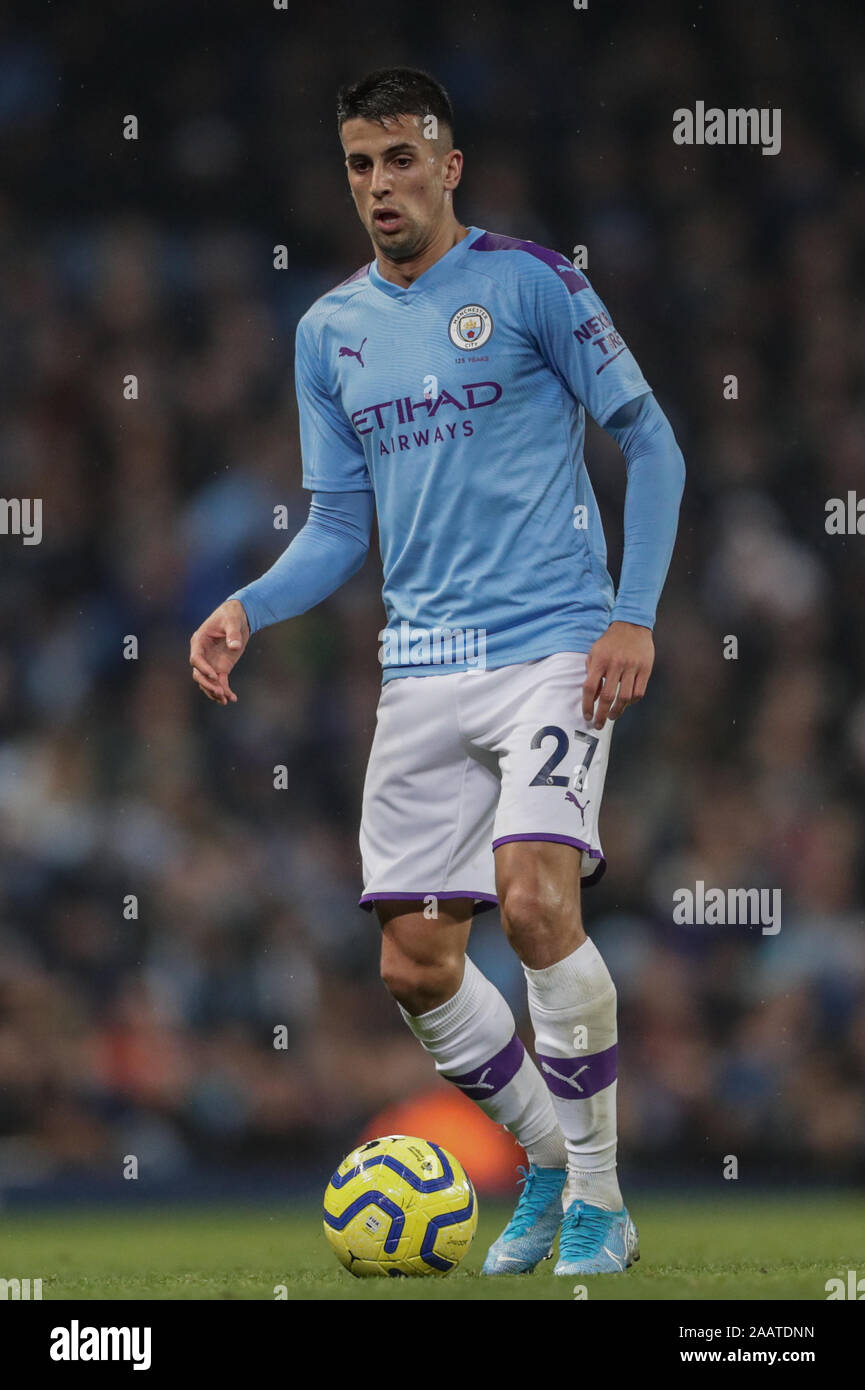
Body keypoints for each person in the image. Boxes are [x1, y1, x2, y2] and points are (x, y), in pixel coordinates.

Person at [189, 66, 685, 1277]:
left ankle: (602, 1205)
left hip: (553, 644)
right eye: (359, 165)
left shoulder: (530, 283)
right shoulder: (328, 332)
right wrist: (249, 607)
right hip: (418, 667)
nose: (380, 185)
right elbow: (339, 527)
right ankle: (547, 1163)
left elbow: (651, 441)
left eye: (401, 159)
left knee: (530, 899)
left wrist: (633, 616)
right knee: (416, 963)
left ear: (446, 165)